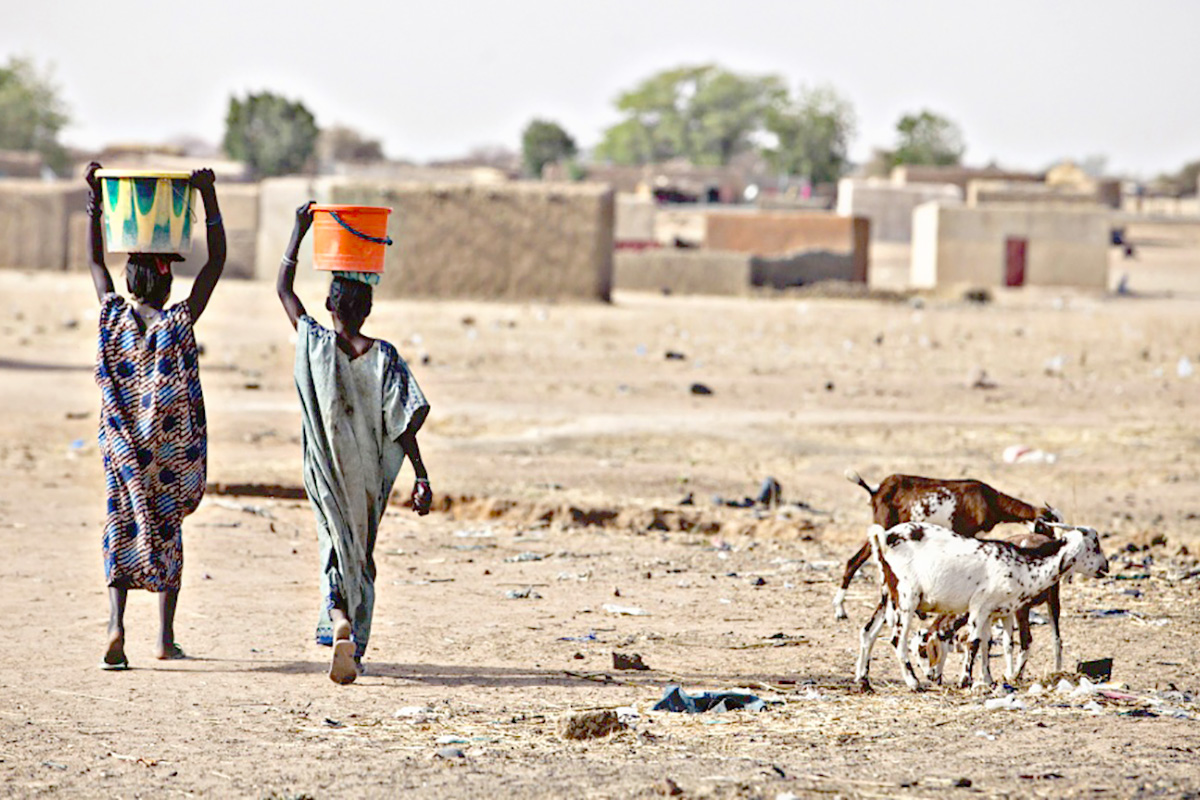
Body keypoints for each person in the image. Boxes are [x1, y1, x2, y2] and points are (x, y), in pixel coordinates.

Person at [276, 201, 431, 685]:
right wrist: (422, 475)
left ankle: (337, 616)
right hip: (364, 477)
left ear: (329, 306)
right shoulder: (384, 357)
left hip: (325, 471)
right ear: (368, 309)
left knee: (332, 544)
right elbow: (405, 422)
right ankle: (354, 641)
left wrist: (298, 232)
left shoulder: (312, 343)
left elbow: (283, 289)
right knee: (358, 554)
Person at [85, 162, 226, 669]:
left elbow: (95, 263)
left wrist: (95, 202)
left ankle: (115, 625)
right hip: (167, 455)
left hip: (122, 447)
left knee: (121, 524)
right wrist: (208, 198)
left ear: (130, 281)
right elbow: (215, 265)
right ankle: (164, 639)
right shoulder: (178, 324)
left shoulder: (112, 317)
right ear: (167, 284)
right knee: (166, 531)